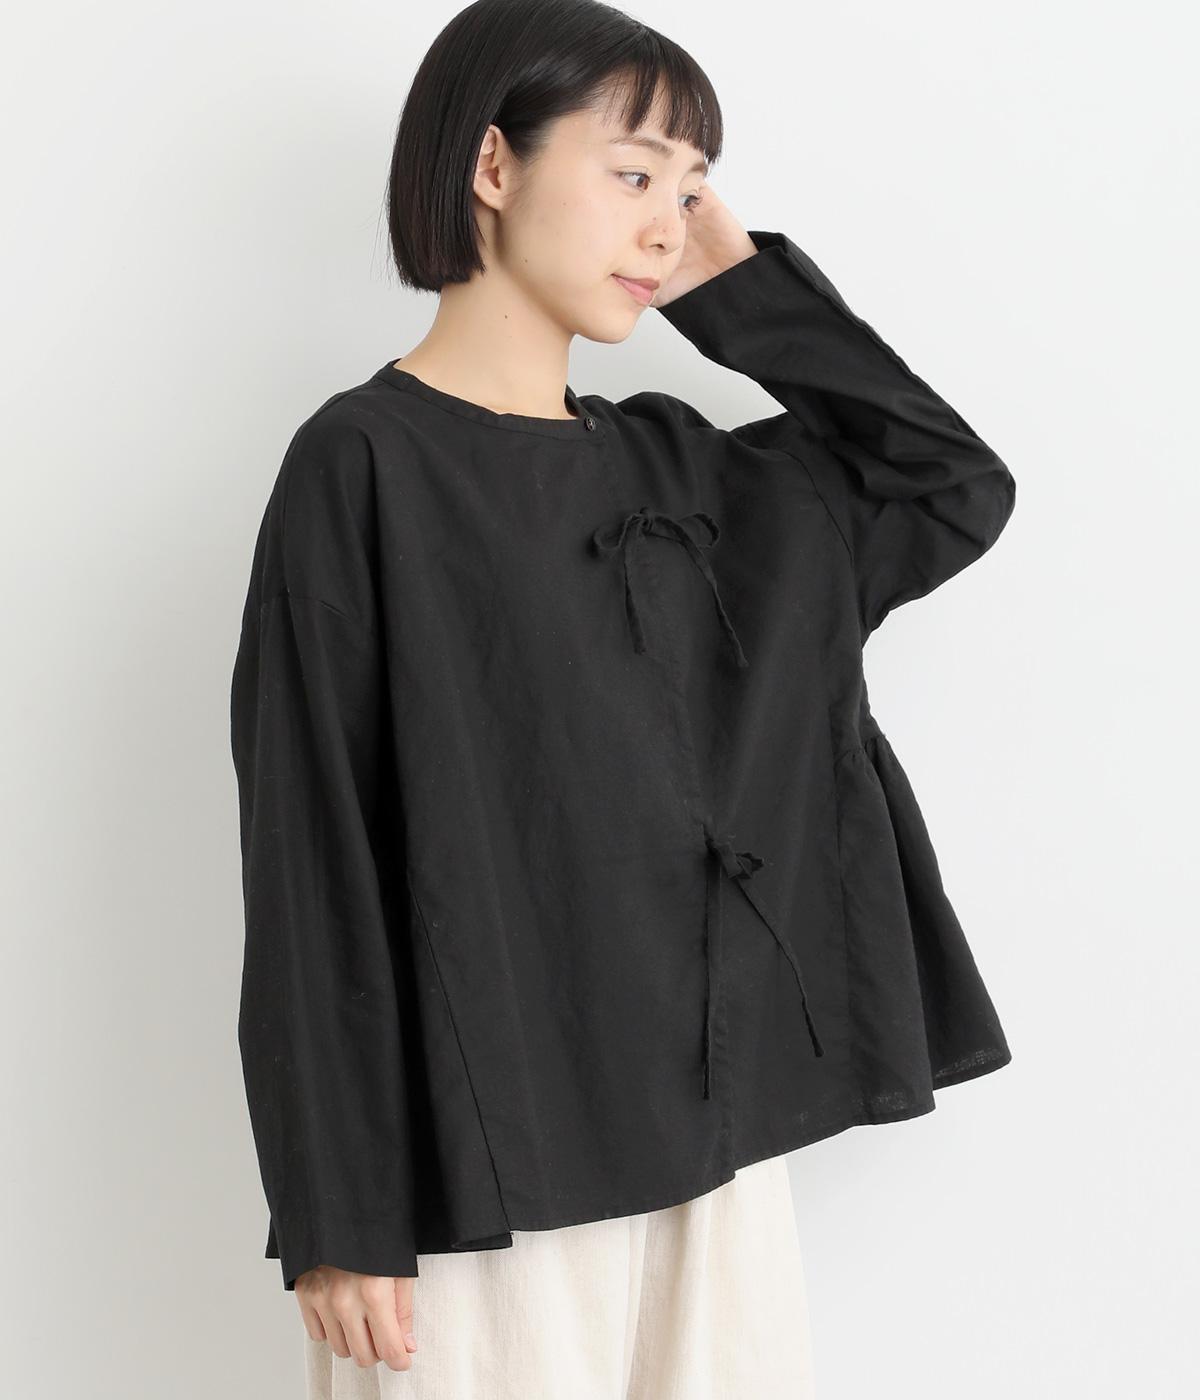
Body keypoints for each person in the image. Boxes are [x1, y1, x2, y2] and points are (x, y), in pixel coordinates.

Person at [229, 1, 1017, 1395]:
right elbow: (313, 855)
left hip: (714, 1163)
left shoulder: (694, 473)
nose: (667, 225)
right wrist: (337, 1214)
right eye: (636, 172)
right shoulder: (364, 465)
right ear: (491, 165)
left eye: (694, 188)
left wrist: (738, 290)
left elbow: (948, 486)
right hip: (482, 1176)